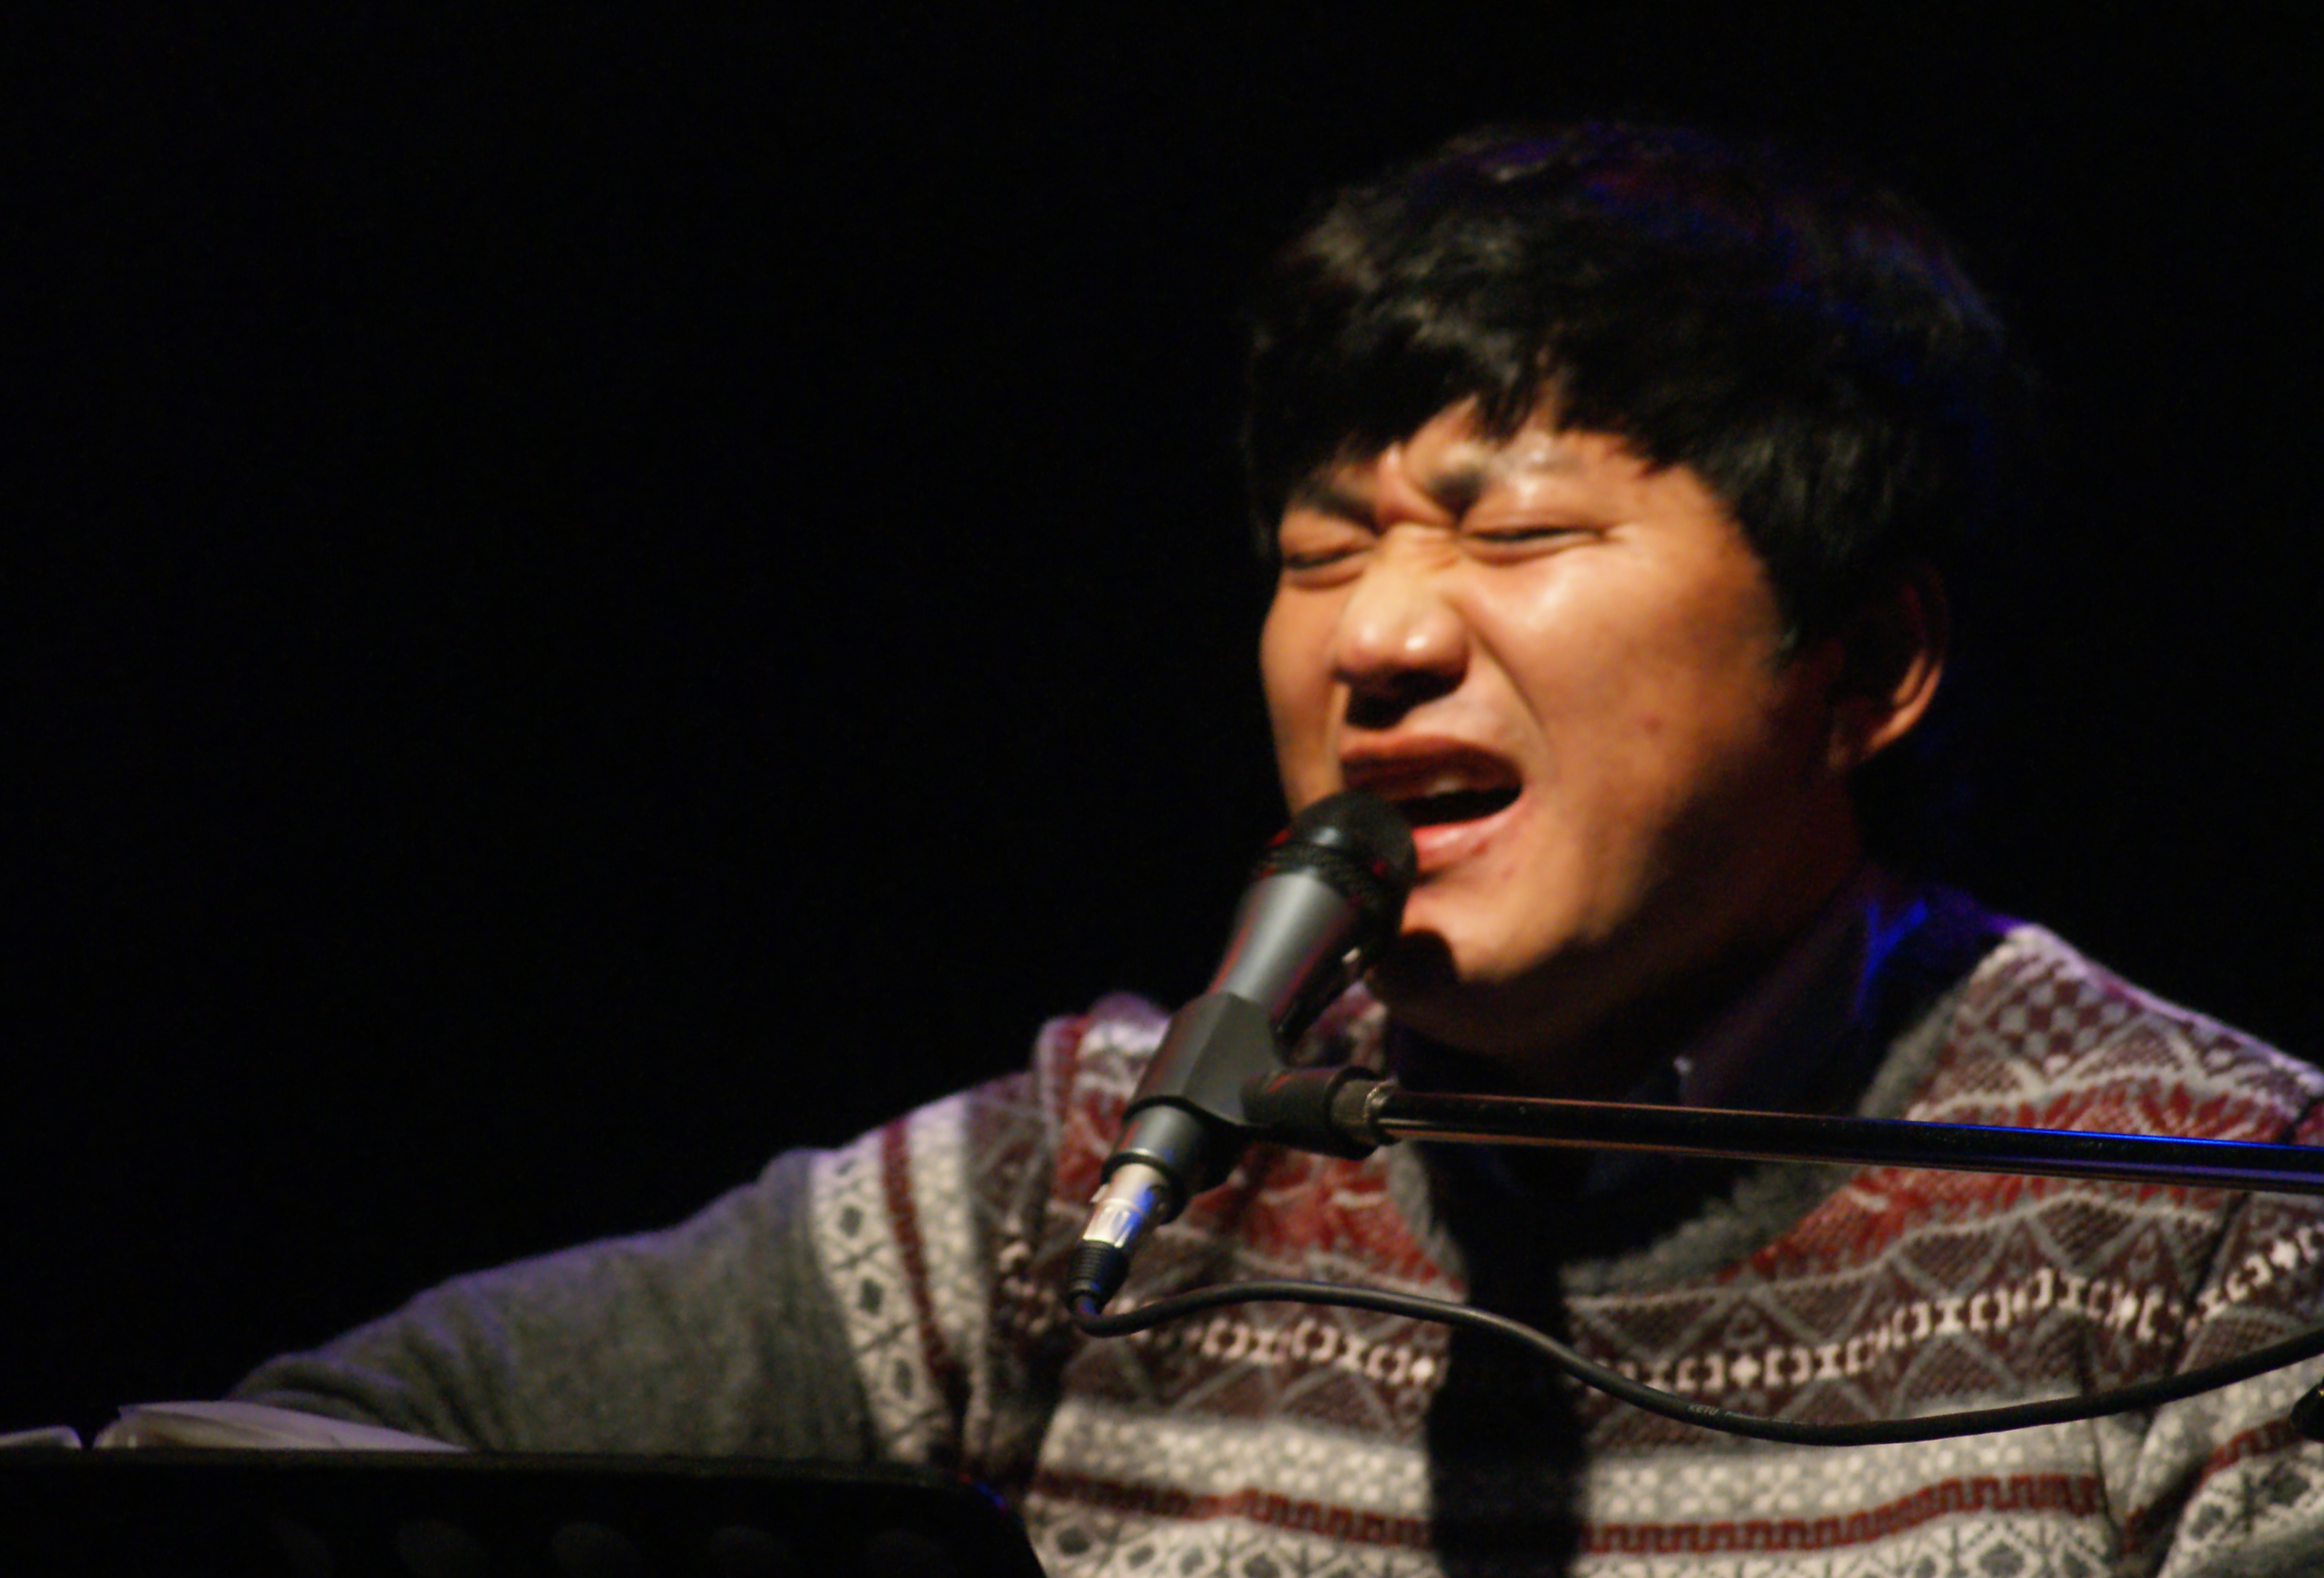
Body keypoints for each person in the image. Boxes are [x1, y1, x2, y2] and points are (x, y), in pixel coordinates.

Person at [231, 124, 2324, 1575]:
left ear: (1864, 663)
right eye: (1323, 554)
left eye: (1517, 532)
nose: (1381, 636)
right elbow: (272, 1466)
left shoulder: (2220, 1227)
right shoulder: (1109, 1176)